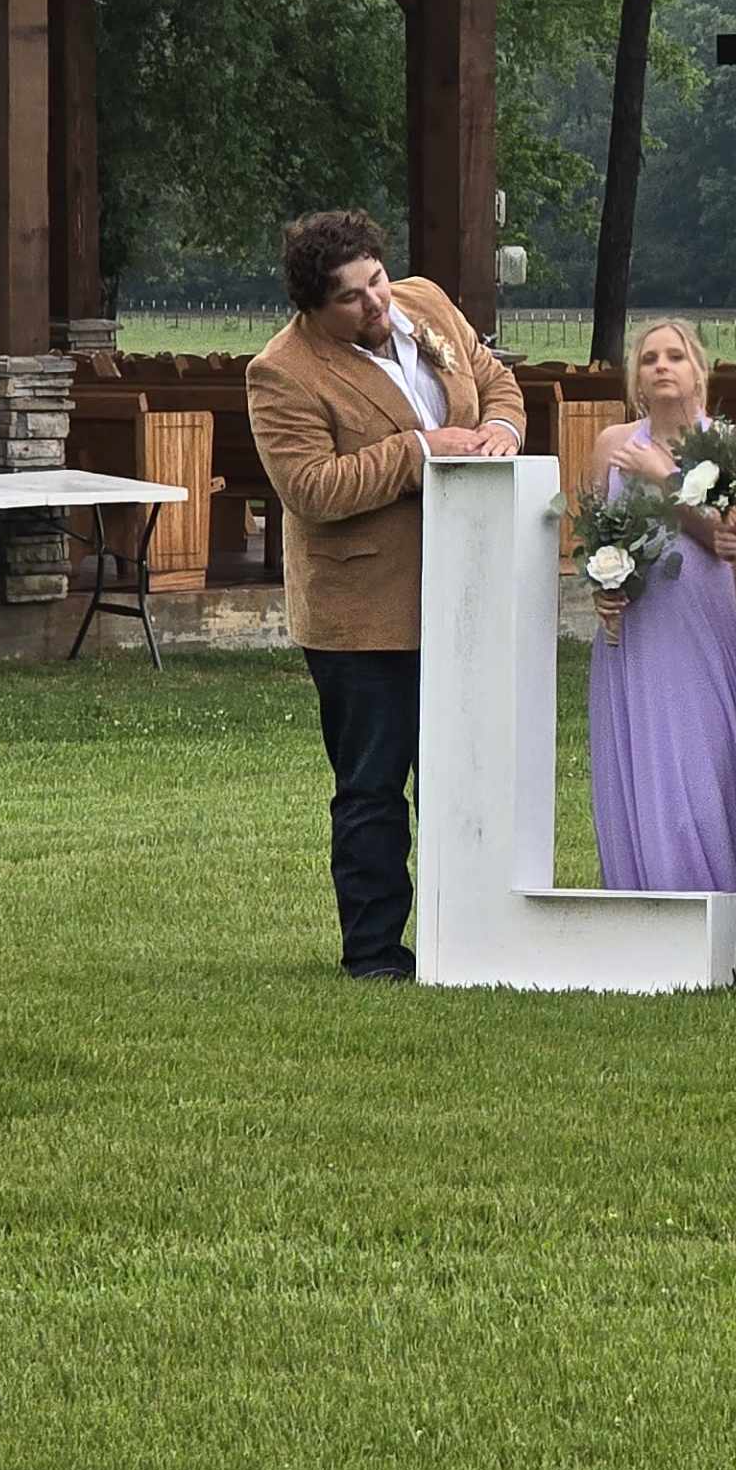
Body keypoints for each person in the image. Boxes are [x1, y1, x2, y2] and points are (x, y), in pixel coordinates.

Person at [241, 208, 522, 981]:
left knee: (463, 774)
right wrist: (419, 451)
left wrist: (500, 429)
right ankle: (374, 952)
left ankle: (468, 937)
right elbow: (311, 489)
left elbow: (495, 381)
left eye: (377, 281)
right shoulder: (282, 372)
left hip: (466, 590)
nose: (377, 305)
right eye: (354, 299)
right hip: (362, 615)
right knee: (373, 787)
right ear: (313, 309)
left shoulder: (425, 301)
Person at [584, 317, 736, 902]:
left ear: (699, 372)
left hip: (703, 619)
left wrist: (667, 477)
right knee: (647, 762)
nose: (662, 366)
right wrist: (601, 582)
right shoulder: (612, 445)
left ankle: (719, 903)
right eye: (649, 358)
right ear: (636, 377)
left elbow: (731, 536)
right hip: (635, 626)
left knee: (702, 760)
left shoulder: (729, 444)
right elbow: (594, 534)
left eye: (676, 356)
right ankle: (648, 896)